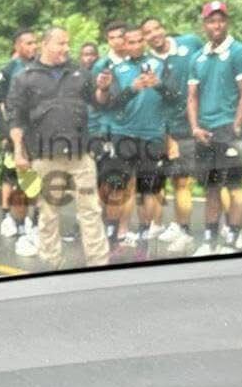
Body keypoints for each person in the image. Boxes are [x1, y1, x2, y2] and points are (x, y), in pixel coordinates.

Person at [7, 28, 110, 269]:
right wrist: (19, 152)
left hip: (80, 153)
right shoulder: (25, 77)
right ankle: (51, 264)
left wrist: (103, 89)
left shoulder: (79, 72)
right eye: (60, 43)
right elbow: (16, 119)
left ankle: (99, 263)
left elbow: (99, 103)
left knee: (91, 210)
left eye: (67, 43)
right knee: (48, 213)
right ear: (45, 44)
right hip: (44, 155)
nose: (66, 48)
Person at [187, 1, 242, 255]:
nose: (216, 25)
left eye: (221, 20)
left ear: (227, 22)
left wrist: (236, 125)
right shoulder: (198, 57)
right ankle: (209, 241)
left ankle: (232, 240)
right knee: (212, 188)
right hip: (205, 131)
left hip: (229, 129)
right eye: (211, 21)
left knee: (235, 187)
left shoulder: (239, 52)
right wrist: (195, 127)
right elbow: (192, 96)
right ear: (204, 25)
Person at [102, 26, 170, 247]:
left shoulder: (160, 64)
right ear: (124, 44)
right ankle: (112, 232)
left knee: (146, 189)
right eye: (131, 42)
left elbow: (174, 97)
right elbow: (111, 104)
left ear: (144, 41)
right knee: (117, 186)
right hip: (123, 134)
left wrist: (158, 85)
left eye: (140, 40)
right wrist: (132, 89)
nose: (136, 45)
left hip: (152, 134)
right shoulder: (117, 69)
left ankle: (143, 233)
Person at [142, 17, 203, 255]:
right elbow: (155, 99)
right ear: (144, 38)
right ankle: (175, 225)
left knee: (182, 181)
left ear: (164, 28)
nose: (154, 34)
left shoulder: (190, 43)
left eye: (156, 28)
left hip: (186, 125)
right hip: (162, 128)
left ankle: (185, 232)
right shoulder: (147, 63)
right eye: (148, 32)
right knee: (164, 180)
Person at [0, 30, 39, 241]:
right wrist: (6, 133)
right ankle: (14, 220)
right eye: (28, 43)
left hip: (39, 133)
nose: (33, 46)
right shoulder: (8, 71)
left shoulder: (42, 67)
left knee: (38, 178)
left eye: (35, 42)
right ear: (17, 46)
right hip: (16, 133)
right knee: (16, 178)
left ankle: (35, 222)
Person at [92, 21, 130, 241]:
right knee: (105, 181)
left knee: (125, 182)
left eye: (120, 37)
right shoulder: (102, 65)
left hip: (133, 130)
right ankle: (102, 226)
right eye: (112, 38)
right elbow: (95, 100)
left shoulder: (136, 62)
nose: (116, 41)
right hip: (108, 130)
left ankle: (120, 229)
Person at [63, 42, 101, 243]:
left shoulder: (101, 75)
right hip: (80, 136)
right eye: (85, 54)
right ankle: (81, 225)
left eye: (92, 54)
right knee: (81, 185)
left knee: (100, 183)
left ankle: (101, 226)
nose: (88, 58)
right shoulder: (75, 76)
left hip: (101, 133)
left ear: (98, 56)